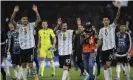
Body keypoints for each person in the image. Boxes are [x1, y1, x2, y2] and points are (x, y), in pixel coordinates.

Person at [10, 5, 41, 80]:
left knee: (30, 65)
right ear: (21, 20)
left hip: (30, 48)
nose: (25, 20)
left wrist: (36, 11)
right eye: (23, 19)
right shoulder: (18, 27)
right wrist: (14, 12)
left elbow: (38, 20)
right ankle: (24, 78)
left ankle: (35, 75)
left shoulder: (31, 25)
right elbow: (11, 21)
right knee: (23, 64)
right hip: (22, 49)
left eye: (26, 19)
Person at [97, 2, 121, 80]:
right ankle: (108, 78)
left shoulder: (112, 27)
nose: (106, 21)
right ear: (103, 22)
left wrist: (119, 9)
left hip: (111, 49)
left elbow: (117, 18)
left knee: (108, 65)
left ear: (109, 21)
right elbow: (100, 40)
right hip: (103, 50)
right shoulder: (101, 30)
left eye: (107, 20)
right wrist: (95, 48)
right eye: (104, 20)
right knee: (104, 66)